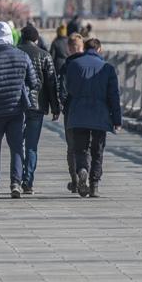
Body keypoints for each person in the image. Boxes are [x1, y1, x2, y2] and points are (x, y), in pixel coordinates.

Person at [0, 22, 39, 199]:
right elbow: (34, 82)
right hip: (16, 109)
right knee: (17, 148)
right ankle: (15, 183)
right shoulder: (22, 55)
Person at [64, 38, 122, 198]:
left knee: (81, 148)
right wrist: (117, 120)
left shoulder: (74, 65)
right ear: (99, 50)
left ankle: (82, 169)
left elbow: (69, 87)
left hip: (78, 112)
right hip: (100, 114)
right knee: (97, 150)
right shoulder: (108, 68)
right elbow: (114, 96)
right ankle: (94, 184)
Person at [16, 24, 60, 195]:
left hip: (17, 105)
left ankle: (16, 179)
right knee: (32, 146)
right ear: (36, 38)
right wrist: (56, 107)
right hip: (37, 105)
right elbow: (51, 83)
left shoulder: (15, 52)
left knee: (18, 144)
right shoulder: (44, 55)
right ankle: (28, 181)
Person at [57, 33, 86, 193]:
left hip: (71, 110)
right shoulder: (90, 63)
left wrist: (62, 104)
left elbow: (62, 89)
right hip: (88, 109)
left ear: (69, 49)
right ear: (82, 47)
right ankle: (85, 172)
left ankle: (75, 180)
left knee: (71, 146)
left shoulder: (66, 66)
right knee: (86, 145)